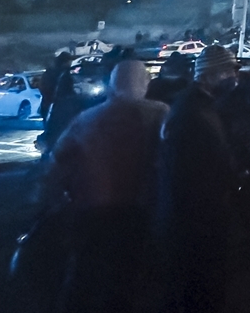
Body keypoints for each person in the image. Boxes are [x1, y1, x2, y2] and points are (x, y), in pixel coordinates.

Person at [45, 60, 169, 313]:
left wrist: (55, 197)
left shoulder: (86, 118)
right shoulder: (159, 113)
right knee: (126, 279)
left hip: (90, 208)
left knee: (84, 276)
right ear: (144, 83)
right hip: (137, 209)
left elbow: (57, 160)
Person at [157, 45, 240, 313]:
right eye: (227, 71)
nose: (233, 77)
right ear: (208, 75)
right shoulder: (191, 112)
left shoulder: (201, 105)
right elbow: (187, 174)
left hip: (198, 220)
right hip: (195, 225)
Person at [38, 52, 77, 152]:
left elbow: (42, 87)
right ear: (65, 62)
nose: (70, 63)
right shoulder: (64, 74)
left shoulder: (50, 72)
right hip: (58, 106)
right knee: (59, 131)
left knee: (51, 130)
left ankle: (49, 152)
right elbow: (68, 90)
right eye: (69, 61)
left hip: (48, 105)